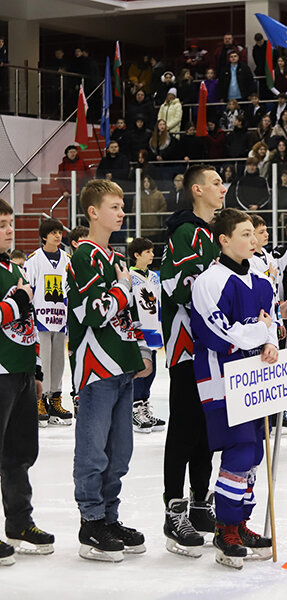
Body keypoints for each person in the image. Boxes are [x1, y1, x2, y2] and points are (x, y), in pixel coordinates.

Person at [189, 207, 278, 569]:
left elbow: (270, 323)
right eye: (245, 233)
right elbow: (219, 335)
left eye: (253, 233)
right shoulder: (209, 282)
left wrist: (270, 341)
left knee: (254, 452)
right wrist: (260, 331)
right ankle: (225, 527)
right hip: (222, 379)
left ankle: (240, 523)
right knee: (239, 449)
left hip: (255, 377)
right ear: (224, 240)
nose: (253, 239)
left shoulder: (261, 280)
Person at [67, 180, 151, 562]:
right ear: (93, 212)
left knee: (120, 453)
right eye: (114, 207)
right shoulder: (84, 256)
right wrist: (121, 289)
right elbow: (91, 313)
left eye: (122, 206)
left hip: (122, 366)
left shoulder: (115, 258)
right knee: (93, 450)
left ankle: (110, 517)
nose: (121, 212)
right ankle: (91, 521)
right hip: (97, 368)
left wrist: (140, 351)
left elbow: (126, 315)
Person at [159, 164, 224, 557]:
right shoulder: (186, 232)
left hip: (212, 347)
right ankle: (174, 509)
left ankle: (200, 502)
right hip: (187, 347)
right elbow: (178, 286)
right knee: (184, 427)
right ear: (197, 190)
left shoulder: (212, 235)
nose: (222, 188)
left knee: (206, 428)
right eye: (215, 182)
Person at [0, 199, 56, 564]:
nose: (9, 230)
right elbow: (17, 309)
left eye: (10, 223)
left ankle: (19, 522)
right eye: (1, 224)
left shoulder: (13, 268)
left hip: (19, 371)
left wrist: (36, 371)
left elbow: (28, 322)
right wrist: (18, 302)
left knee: (19, 453)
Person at [24, 218, 71, 427]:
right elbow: (29, 289)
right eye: (53, 233)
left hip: (60, 319)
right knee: (43, 361)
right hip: (40, 319)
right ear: (44, 236)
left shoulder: (67, 259)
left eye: (59, 232)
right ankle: (40, 401)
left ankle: (55, 400)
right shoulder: (33, 260)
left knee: (58, 362)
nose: (58, 236)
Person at [128, 237, 166, 434]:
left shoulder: (154, 276)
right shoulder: (129, 276)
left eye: (152, 251)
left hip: (153, 328)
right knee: (140, 368)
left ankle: (144, 405)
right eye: (148, 252)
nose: (152, 254)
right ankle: (134, 408)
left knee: (152, 370)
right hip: (138, 330)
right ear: (137, 255)